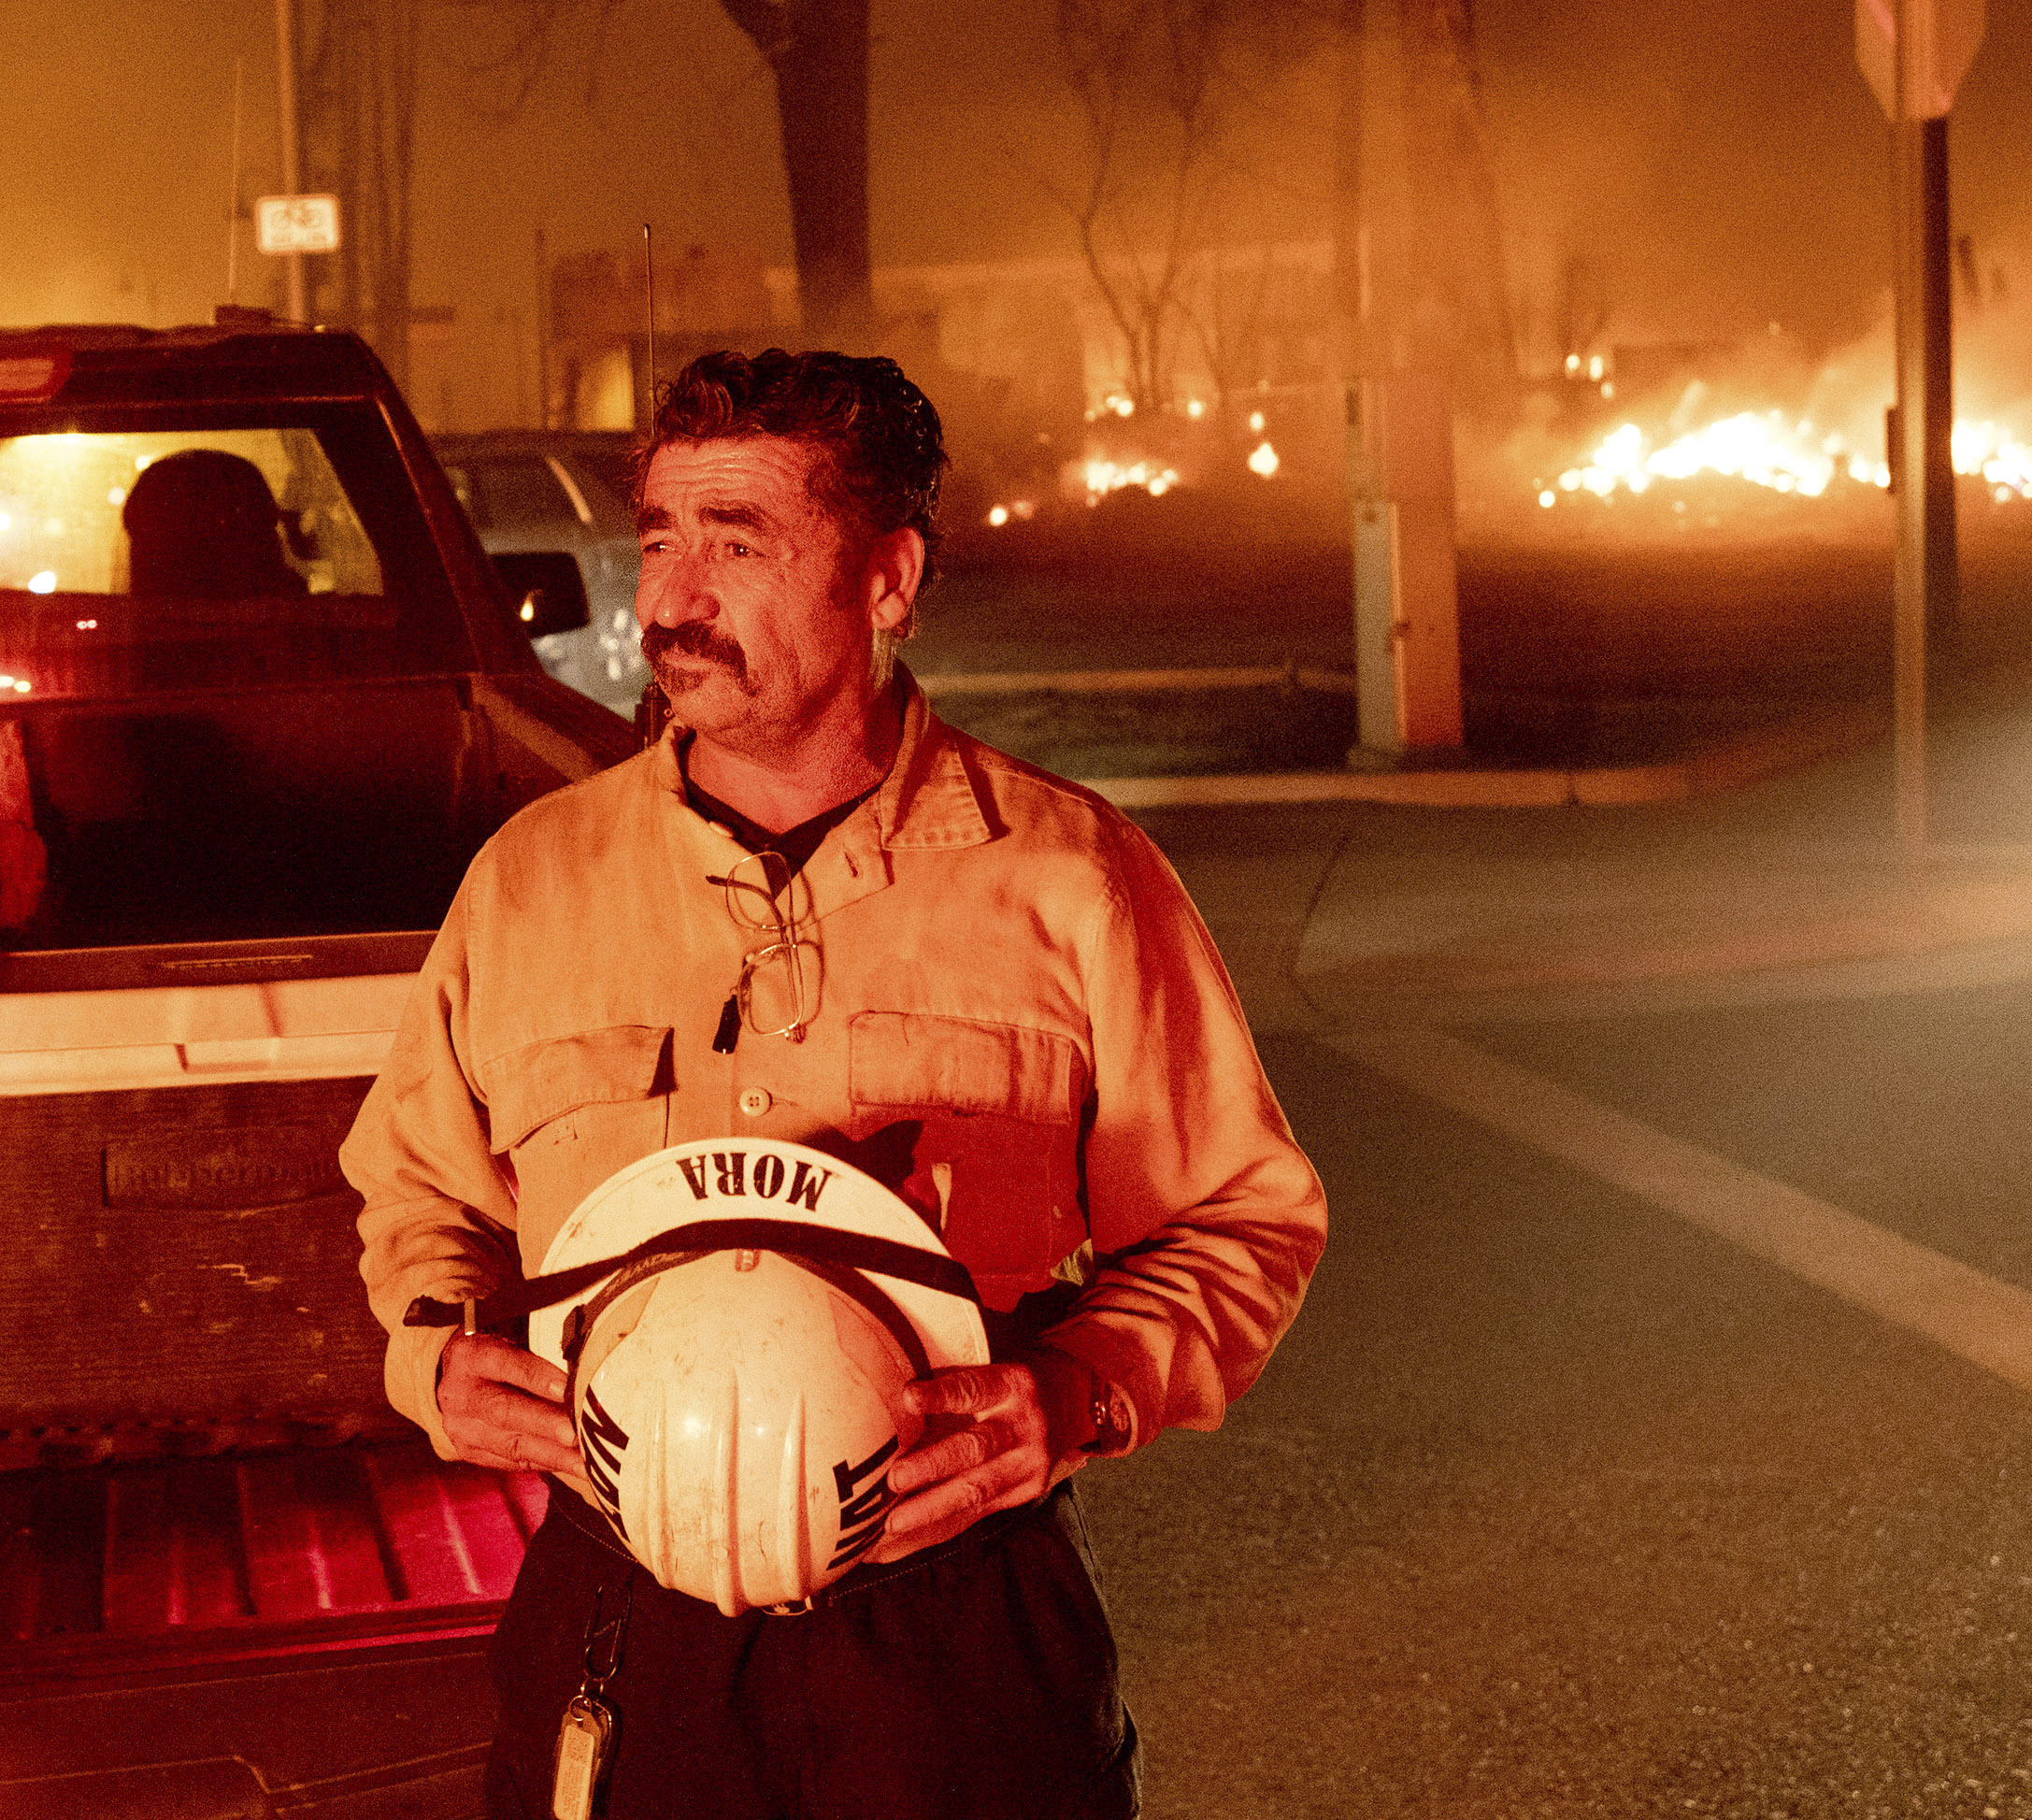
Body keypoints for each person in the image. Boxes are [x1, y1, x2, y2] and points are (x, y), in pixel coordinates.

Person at [341, 348, 1325, 1818]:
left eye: (736, 544)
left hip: (953, 1628)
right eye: (659, 538)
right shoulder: (531, 882)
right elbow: (421, 1198)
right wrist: (438, 1353)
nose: (673, 598)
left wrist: (1074, 1388)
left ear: (887, 578)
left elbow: (1243, 1220)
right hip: (621, 1628)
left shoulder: (1067, 880)